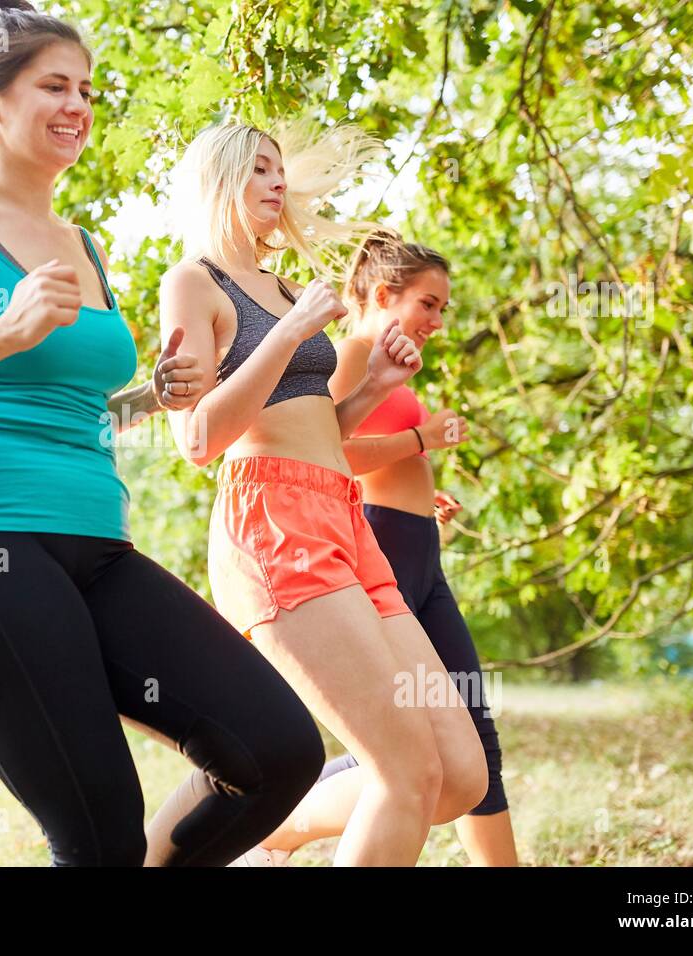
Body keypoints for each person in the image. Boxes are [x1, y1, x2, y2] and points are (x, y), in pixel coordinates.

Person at [0, 0, 324, 866]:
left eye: (88, 90)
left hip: (96, 545)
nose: (78, 107)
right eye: (53, 86)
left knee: (277, 749)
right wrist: (3, 332)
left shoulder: (82, 243)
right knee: (97, 830)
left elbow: (68, 401)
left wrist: (147, 397)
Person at [159, 121, 488, 866]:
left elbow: (320, 432)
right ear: (221, 181)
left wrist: (373, 386)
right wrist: (289, 331)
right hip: (272, 523)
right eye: (259, 169)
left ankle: (274, 830)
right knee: (405, 772)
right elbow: (198, 439)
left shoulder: (279, 287)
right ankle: (266, 829)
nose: (278, 182)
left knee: (459, 774)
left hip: (342, 513)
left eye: (280, 169)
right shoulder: (194, 282)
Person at [241, 232, 519, 865]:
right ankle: (276, 832)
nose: (438, 322)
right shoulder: (347, 356)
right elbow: (326, 448)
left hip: (417, 546)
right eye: (428, 303)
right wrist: (422, 441)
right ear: (383, 293)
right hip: (377, 549)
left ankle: (277, 832)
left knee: (465, 724)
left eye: (443, 309)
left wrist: (425, 491)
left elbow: (377, 453)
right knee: (426, 733)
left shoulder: (390, 362)